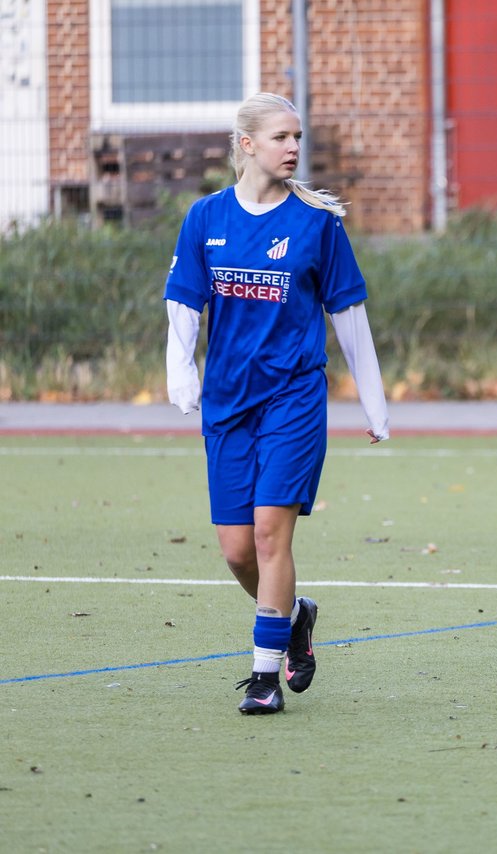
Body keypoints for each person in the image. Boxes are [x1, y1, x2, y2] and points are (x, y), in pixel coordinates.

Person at [164, 92, 390, 715]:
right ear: (247, 144)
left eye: (298, 137)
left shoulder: (318, 223)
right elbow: (184, 303)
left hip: (293, 399)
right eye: (281, 137)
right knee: (237, 550)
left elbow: (349, 313)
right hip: (228, 403)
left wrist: (374, 403)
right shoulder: (206, 217)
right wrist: (180, 377)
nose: (294, 148)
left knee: (269, 535)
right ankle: (293, 620)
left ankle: (264, 676)